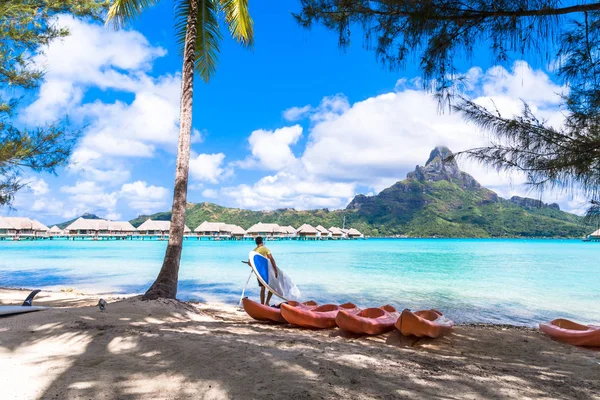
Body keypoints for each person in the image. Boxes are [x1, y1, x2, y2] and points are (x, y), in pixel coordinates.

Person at [254, 236, 278, 305]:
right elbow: (272, 259)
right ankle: (267, 302)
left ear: (256, 243)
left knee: (262, 289)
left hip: (259, 272)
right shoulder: (266, 249)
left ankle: (262, 305)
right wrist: (275, 270)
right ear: (262, 242)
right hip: (266, 271)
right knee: (272, 287)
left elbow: (250, 262)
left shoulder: (254, 251)